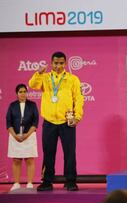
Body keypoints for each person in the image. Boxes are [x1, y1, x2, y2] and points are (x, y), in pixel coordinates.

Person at [29, 51, 84, 191]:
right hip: (49, 122)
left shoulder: (73, 79)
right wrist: (38, 73)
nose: (58, 66)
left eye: (61, 63)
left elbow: (78, 98)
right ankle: (47, 181)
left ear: (65, 64)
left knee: (70, 153)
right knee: (48, 152)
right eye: (55, 63)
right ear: (51, 63)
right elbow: (32, 85)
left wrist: (77, 116)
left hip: (67, 121)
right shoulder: (45, 78)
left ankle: (70, 181)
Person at [6, 84, 39, 191]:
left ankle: (29, 183)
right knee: (16, 160)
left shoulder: (33, 105)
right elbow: (8, 122)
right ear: (17, 93)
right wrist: (14, 135)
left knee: (30, 159)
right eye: (20, 92)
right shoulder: (12, 105)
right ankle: (16, 183)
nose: (23, 94)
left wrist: (27, 134)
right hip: (14, 136)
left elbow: (35, 121)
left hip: (29, 135)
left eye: (25, 91)